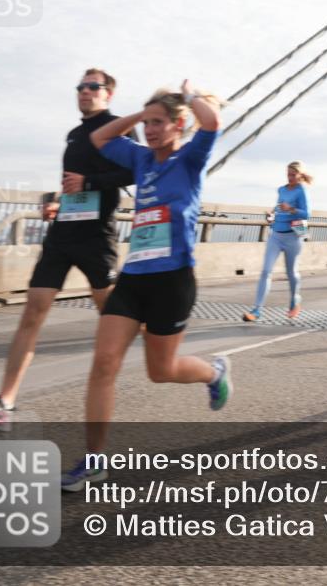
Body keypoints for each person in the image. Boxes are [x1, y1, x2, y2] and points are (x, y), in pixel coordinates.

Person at [61, 80, 230, 491]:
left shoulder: (191, 158)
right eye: (147, 123)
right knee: (103, 364)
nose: (150, 130)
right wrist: (141, 113)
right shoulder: (140, 160)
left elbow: (213, 122)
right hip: (133, 278)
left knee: (162, 371)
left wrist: (188, 99)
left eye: (159, 123)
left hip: (172, 281)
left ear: (178, 125)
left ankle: (213, 372)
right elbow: (100, 137)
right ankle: (95, 461)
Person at [0, 68, 135, 431]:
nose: (84, 92)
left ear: (108, 94)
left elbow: (134, 173)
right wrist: (54, 202)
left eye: (93, 87)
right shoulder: (73, 135)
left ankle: (165, 347)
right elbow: (72, 185)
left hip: (96, 236)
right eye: (80, 86)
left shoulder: (118, 127)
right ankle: (4, 404)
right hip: (63, 233)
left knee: (115, 317)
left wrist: (90, 182)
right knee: (33, 311)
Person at [242, 162, 312, 321]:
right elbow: (279, 207)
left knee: (291, 273)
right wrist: (271, 215)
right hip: (276, 235)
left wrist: (291, 209)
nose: (290, 177)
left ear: (300, 175)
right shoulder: (281, 189)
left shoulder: (302, 191)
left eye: (293, 175)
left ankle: (295, 299)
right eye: (288, 174)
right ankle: (256, 310)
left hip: (293, 236)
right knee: (266, 271)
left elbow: (307, 214)